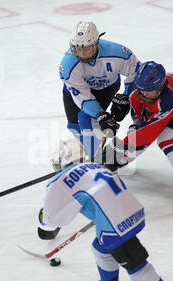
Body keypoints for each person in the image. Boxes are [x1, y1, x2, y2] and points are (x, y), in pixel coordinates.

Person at [39, 152, 173, 281]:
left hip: (115, 226)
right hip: (131, 212)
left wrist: (42, 217)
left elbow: (52, 220)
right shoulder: (93, 166)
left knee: (137, 267)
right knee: (100, 248)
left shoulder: (59, 180)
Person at [97, 61, 173, 207]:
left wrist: (119, 150)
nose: (144, 93)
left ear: (161, 87)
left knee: (167, 138)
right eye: (141, 90)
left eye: (149, 91)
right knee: (137, 136)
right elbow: (139, 119)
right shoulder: (137, 89)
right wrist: (131, 134)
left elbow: (148, 133)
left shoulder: (169, 99)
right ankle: (116, 161)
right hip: (167, 104)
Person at [54, 21, 141, 170]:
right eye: (78, 48)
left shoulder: (117, 53)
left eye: (87, 48)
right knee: (74, 126)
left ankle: (96, 162)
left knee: (86, 118)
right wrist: (101, 115)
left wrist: (126, 96)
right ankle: (93, 154)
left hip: (106, 88)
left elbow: (137, 71)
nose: (82, 53)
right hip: (76, 91)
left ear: (96, 43)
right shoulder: (68, 64)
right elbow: (83, 97)